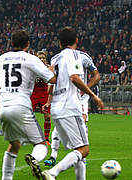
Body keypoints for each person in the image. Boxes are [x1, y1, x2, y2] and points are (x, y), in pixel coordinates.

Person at [0, 30, 56, 180]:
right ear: (28, 44)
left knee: (14, 144)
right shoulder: (30, 58)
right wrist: (51, 71)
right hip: (21, 105)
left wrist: (6, 94)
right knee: (40, 144)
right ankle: (34, 158)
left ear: (12, 43)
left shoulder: (1, 58)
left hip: (2, 107)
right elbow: (52, 79)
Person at [41, 27, 104, 180]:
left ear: (59, 42)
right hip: (70, 106)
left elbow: (52, 81)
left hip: (56, 107)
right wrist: (93, 95)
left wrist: (48, 101)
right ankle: (53, 172)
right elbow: (74, 78)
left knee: (77, 151)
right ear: (77, 40)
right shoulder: (75, 55)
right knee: (84, 149)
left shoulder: (55, 58)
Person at [30, 51, 52, 145]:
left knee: (47, 116)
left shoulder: (49, 68)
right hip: (34, 94)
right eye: (40, 58)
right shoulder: (33, 68)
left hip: (45, 94)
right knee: (28, 116)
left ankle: (46, 139)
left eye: (43, 58)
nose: (42, 60)